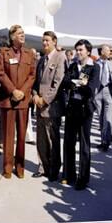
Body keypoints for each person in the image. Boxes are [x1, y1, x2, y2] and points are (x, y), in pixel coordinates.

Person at [0, 25, 36, 179]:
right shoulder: (3, 53)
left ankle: (20, 167)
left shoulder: (29, 54)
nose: (22, 35)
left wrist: (21, 92)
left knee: (21, 136)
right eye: (19, 33)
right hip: (8, 100)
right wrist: (13, 91)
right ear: (12, 37)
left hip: (23, 101)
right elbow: (0, 73)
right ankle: (7, 167)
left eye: (23, 33)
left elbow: (32, 76)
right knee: (8, 135)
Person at [62, 39, 100, 190]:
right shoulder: (72, 65)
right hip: (72, 108)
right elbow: (65, 82)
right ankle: (68, 174)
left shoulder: (94, 67)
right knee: (69, 142)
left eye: (81, 50)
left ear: (88, 52)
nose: (78, 52)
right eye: (77, 50)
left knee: (84, 144)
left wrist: (76, 83)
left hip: (85, 110)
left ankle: (83, 179)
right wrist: (77, 83)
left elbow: (91, 88)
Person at [31, 31, 66, 181]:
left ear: (54, 42)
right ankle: (42, 166)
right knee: (41, 139)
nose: (44, 43)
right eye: (43, 41)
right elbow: (36, 82)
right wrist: (35, 96)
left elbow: (58, 83)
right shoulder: (42, 59)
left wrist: (44, 100)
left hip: (51, 107)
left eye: (47, 40)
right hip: (39, 105)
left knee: (53, 139)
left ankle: (53, 169)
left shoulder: (60, 58)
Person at [95, 44, 112, 152]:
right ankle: (103, 141)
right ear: (102, 52)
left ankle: (106, 142)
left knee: (107, 118)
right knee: (101, 119)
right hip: (97, 93)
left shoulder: (111, 64)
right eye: (108, 51)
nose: (110, 52)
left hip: (108, 92)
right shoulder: (94, 64)